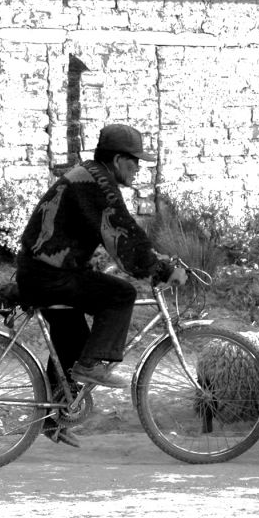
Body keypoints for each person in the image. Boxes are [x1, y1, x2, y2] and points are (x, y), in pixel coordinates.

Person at [16, 123, 186, 447]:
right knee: (121, 294)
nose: (138, 170)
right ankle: (92, 367)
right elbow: (122, 235)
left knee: (73, 337)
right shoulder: (99, 184)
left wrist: (155, 258)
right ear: (120, 159)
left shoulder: (91, 175)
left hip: (40, 271)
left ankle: (54, 417)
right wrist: (161, 270)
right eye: (136, 162)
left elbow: (117, 236)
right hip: (48, 275)